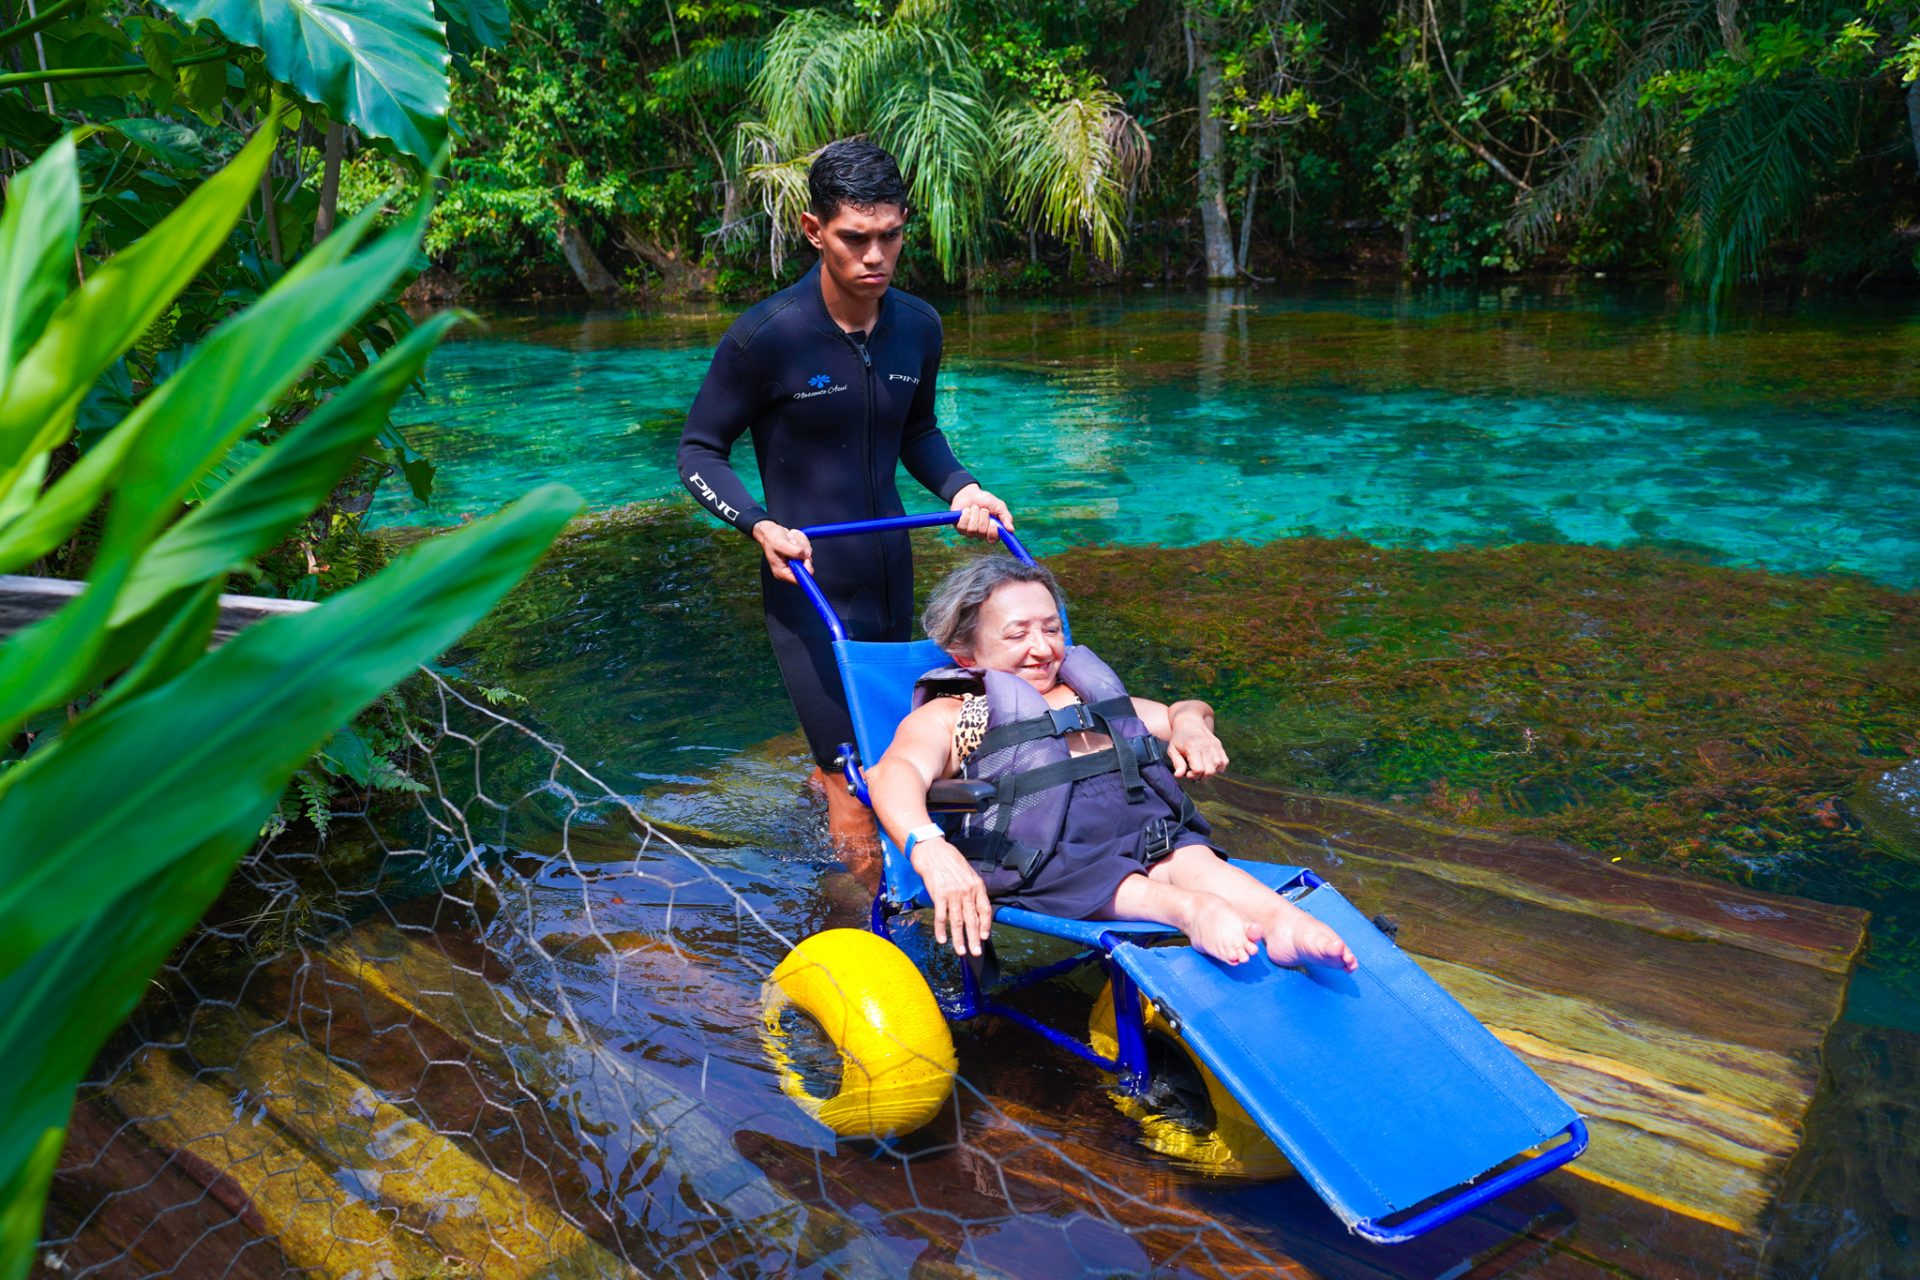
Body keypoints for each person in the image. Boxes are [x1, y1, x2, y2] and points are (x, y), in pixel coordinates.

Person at [676, 140, 1012, 804]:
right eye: (855, 238)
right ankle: (848, 854)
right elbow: (698, 451)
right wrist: (759, 526)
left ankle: (823, 809)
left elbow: (917, 431)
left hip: (891, 576)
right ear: (814, 230)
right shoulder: (767, 337)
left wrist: (964, 488)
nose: (875, 256)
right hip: (809, 586)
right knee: (852, 781)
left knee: (902, 755)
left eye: (890, 236)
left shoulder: (918, 327)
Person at [867, 557, 1358, 972]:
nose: (1043, 648)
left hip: (1148, 837)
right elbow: (892, 773)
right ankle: (1192, 912)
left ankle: (1282, 922)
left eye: (1052, 629)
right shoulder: (958, 713)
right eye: (1018, 635)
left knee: (1192, 859)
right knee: (1125, 881)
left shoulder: (1083, 691)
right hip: (1053, 864)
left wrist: (1191, 726)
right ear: (965, 654)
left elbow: (1182, 710)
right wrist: (929, 848)